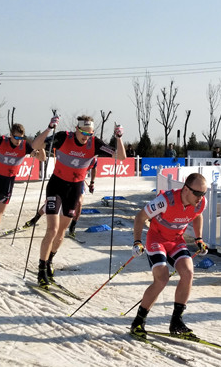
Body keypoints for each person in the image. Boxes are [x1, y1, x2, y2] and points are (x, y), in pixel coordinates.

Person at [31, 115, 126, 288]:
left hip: (74, 190)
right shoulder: (63, 137)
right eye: (83, 132)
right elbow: (35, 146)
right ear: (76, 129)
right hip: (57, 186)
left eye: (89, 133)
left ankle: (50, 260)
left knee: (61, 233)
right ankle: (41, 269)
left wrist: (119, 138)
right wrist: (48, 128)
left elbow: (121, 157)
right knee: (52, 229)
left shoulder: (94, 143)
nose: (86, 136)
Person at [130, 173, 208, 337]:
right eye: (197, 193)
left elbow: (197, 215)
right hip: (156, 239)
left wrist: (198, 238)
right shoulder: (165, 201)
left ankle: (176, 322)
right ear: (186, 189)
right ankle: (138, 322)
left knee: (188, 273)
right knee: (162, 279)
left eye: (204, 194)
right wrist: (137, 241)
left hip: (176, 240)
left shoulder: (199, 204)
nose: (200, 198)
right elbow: (140, 217)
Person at [0, 124, 46, 252]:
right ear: (11, 135)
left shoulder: (25, 145)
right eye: (15, 137)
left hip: (8, 183)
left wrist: (40, 147)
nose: (18, 140)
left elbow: (42, 158)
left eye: (20, 138)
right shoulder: (2, 141)